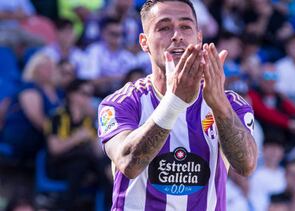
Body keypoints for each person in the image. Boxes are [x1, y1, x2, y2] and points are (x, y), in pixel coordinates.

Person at [97, 0, 258, 210]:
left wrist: (219, 106)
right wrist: (174, 101)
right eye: (164, 27)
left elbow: (246, 165)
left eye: (185, 27)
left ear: (198, 37)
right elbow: (128, 163)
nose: (177, 35)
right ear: (144, 42)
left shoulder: (229, 104)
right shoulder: (123, 102)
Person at [45, 79, 111, 210]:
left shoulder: (88, 120)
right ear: (71, 94)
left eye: (90, 95)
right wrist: (76, 138)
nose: (88, 98)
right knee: (82, 163)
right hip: (58, 165)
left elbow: (98, 152)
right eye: (84, 93)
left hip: (86, 165)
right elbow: (55, 149)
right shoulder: (57, 116)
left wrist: (98, 123)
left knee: (101, 164)